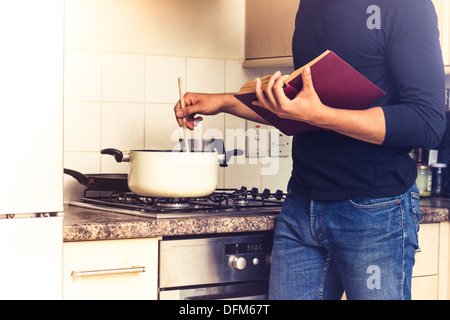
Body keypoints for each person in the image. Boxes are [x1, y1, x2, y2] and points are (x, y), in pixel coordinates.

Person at [174, 0, 446, 300]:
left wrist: (319, 115)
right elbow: (298, 108)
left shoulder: (406, 5)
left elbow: (427, 123)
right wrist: (224, 102)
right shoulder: (310, 6)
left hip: (375, 210)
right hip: (302, 204)